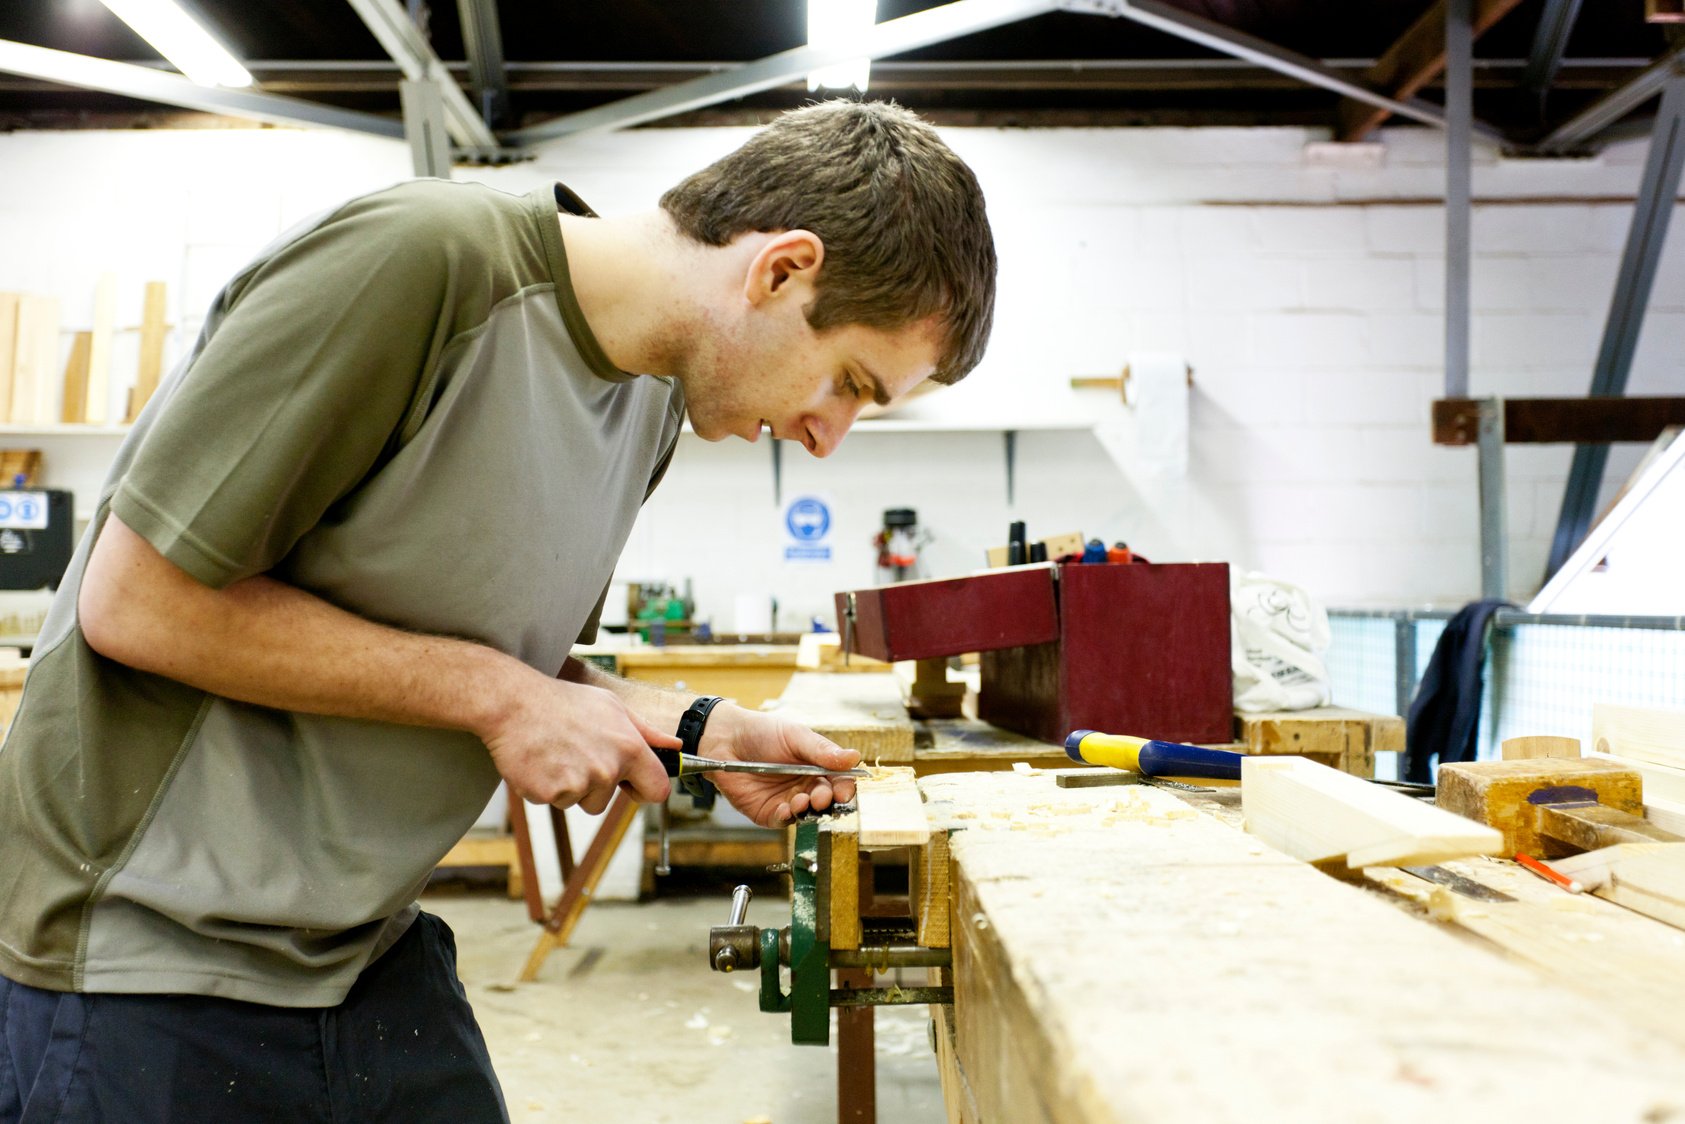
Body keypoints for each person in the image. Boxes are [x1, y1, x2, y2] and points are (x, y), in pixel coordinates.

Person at [0, 99, 996, 1121]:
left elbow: (495, 653)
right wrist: (495, 694)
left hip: (362, 942)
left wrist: (701, 727)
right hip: (145, 954)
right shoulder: (419, 264)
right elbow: (138, 600)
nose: (827, 435)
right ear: (780, 269)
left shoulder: (648, 403)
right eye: (848, 382)